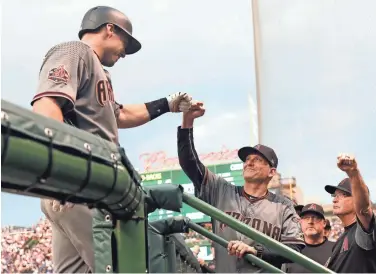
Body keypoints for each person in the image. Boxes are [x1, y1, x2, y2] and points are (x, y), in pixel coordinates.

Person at [31, 6, 194, 273]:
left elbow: (121, 114)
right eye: (125, 43)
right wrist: (66, 169)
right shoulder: (74, 51)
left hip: (77, 190)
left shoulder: (99, 72)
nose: (124, 53)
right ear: (109, 29)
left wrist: (166, 104)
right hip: (84, 185)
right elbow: (47, 103)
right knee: (125, 266)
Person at [177, 102, 305, 272]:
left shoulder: (283, 206)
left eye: (258, 160)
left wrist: (257, 252)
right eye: (247, 159)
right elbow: (190, 164)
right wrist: (187, 123)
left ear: (271, 172)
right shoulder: (222, 191)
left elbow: (295, 248)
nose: (249, 163)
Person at [324, 153, 376, 273]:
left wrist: (353, 172)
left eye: (344, 195)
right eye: (334, 195)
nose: (335, 199)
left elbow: (364, 210)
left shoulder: (365, 231)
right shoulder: (340, 240)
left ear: (356, 200)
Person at [286, 203, 334, 273]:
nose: (310, 221)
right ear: (300, 222)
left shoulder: (335, 249)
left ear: (324, 223)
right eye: (306, 218)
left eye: (315, 218)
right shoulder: (291, 250)